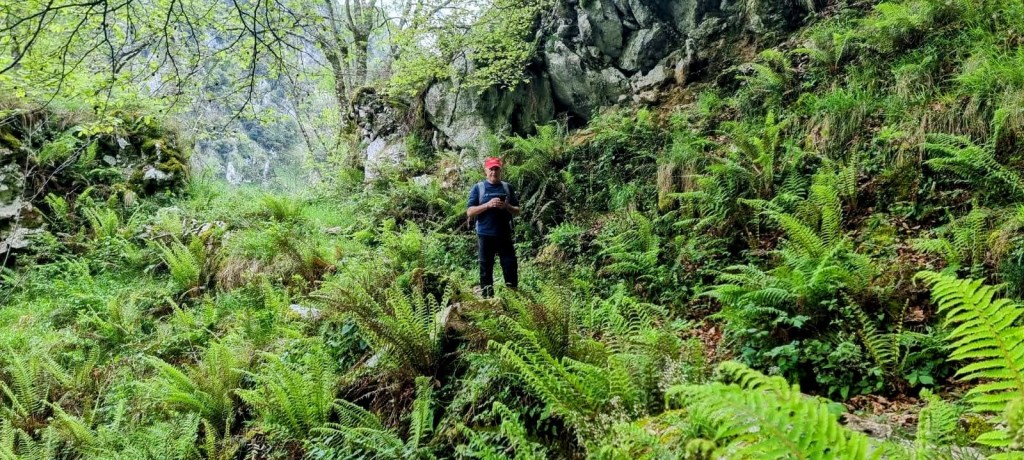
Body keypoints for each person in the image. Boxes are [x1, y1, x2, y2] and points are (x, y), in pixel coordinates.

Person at [466, 157, 521, 298]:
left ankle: (513, 299)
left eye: (496, 169)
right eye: (491, 169)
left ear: (500, 171)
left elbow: (517, 210)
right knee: (486, 268)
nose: (494, 172)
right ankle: (488, 300)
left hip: (504, 234)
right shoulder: (478, 188)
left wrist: (507, 206)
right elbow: (470, 211)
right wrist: (488, 205)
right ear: (486, 170)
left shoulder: (507, 188)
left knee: (510, 266)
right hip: (485, 235)